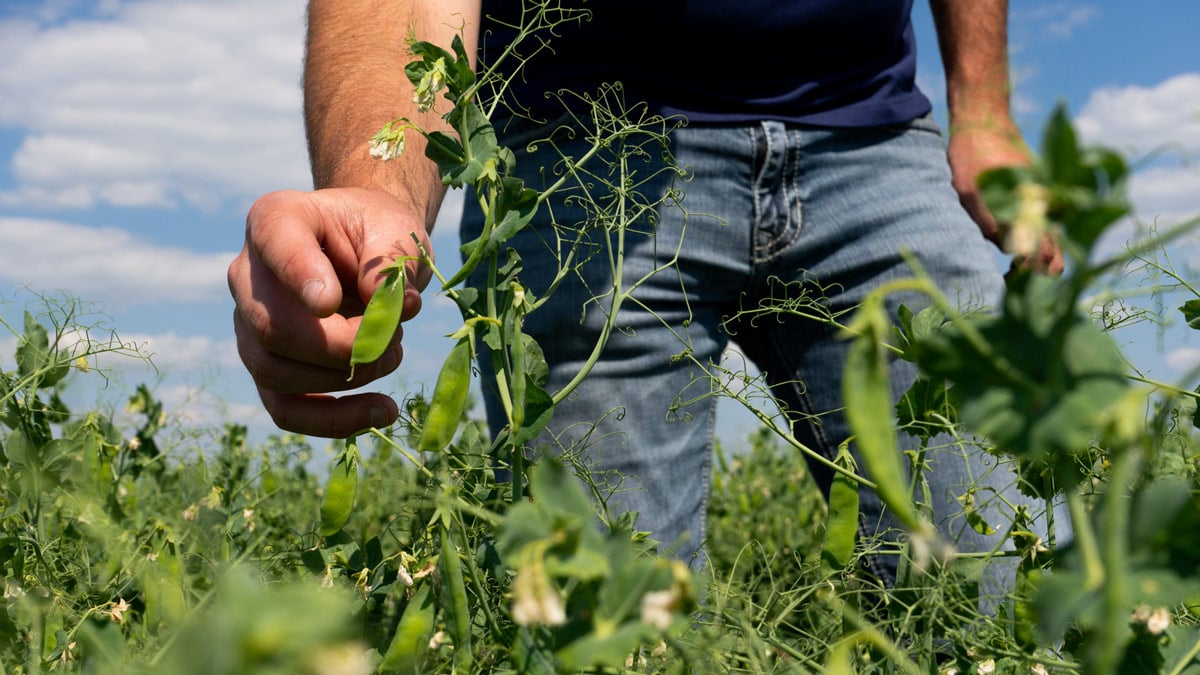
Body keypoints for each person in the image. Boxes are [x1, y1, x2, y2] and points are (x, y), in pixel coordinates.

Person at [228, 0, 1062, 587]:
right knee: (608, 625)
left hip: (874, 133)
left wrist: (983, 107)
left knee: (1005, 597)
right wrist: (378, 188)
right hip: (581, 152)